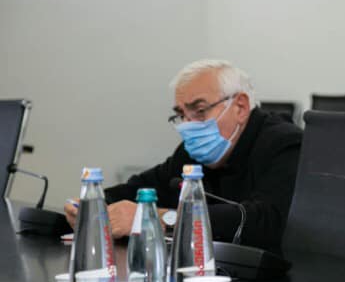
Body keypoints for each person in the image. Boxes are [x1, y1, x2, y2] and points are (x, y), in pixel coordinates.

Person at [64, 60, 302, 254]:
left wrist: (157, 218)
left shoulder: (285, 143)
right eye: (181, 115)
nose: (188, 125)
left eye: (199, 110)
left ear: (240, 107)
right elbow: (143, 187)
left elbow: (266, 222)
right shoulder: (194, 151)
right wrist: (94, 206)